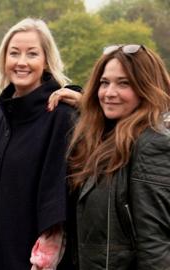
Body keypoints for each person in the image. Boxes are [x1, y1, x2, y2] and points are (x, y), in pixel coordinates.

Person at [0, 18, 78, 270]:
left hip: (30, 259)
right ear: (3, 59)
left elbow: (57, 200)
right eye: (14, 53)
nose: (21, 62)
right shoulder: (2, 114)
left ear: (46, 60)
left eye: (32, 54)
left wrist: (44, 260)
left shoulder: (60, 115)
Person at [67, 44, 170, 269]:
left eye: (124, 83)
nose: (109, 93)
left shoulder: (151, 144)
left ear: (146, 87)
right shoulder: (102, 139)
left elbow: (155, 243)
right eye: (104, 83)